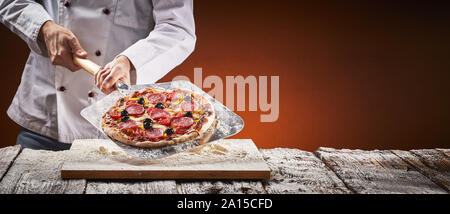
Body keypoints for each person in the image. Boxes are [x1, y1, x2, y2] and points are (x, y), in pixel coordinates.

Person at [0, 0, 196, 150]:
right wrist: (43, 27)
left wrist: (128, 61)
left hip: (124, 122)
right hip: (45, 118)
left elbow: (177, 28)